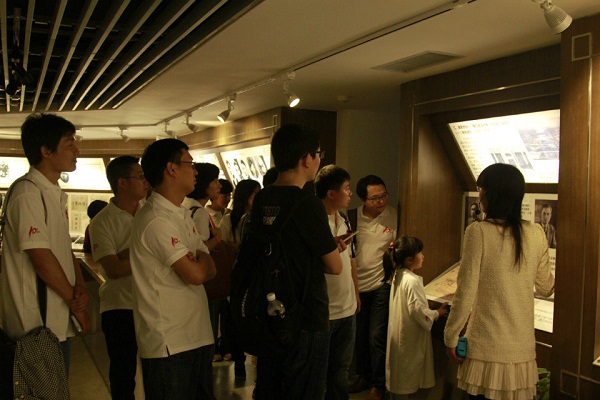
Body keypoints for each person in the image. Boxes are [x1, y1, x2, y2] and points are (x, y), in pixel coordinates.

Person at [247, 123, 343, 399]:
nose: (319, 159)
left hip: (270, 312)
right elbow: (335, 266)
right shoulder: (308, 203)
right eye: (318, 154)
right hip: (305, 316)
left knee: (271, 389)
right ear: (306, 159)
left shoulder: (263, 198)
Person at [444, 163, 555, 400]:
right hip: (522, 352)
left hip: (485, 350)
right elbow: (546, 287)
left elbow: (465, 293)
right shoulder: (536, 233)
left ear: (492, 194)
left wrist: (451, 336)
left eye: (481, 189)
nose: (479, 195)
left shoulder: (478, 232)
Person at [0, 112, 91, 374]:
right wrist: (75, 304)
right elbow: (41, 258)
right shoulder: (28, 193)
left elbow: (63, 251)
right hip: (35, 328)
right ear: (46, 151)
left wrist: (80, 289)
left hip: (55, 322)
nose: (76, 151)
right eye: (69, 144)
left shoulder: (52, 193)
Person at [130, 139, 217, 399]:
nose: (195, 171)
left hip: (196, 334)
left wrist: (199, 258)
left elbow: (209, 266)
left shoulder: (180, 213)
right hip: (170, 341)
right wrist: (199, 258)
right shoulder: (156, 219)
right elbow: (197, 274)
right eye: (190, 163)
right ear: (171, 169)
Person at [89, 155, 149, 399]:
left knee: (157, 370)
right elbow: (113, 269)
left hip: (152, 303)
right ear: (122, 183)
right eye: (140, 177)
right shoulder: (102, 221)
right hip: (120, 306)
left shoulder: (151, 212)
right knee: (123, 375)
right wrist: (148, 252)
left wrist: (126, 254)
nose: (146, 182)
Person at [349, 175, 397, 400]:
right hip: (357, 285)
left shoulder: (393, 214)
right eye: (375, 198)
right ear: (363, 200)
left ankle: (378, 385)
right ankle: (363, 375)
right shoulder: (351, 218)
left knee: (377, 336)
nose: (381, 201)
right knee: (359, 335)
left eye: (384, 196)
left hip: (381, 285)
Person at [314, 164, 360, 400]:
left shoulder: (343, 219)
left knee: (341, 372)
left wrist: (356, 294)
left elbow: (351, 260)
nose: (350, 193)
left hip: (347, 308)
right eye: (346, 188)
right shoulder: (315, 221)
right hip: (324, 310)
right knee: (319, 375)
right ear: (331, 194)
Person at [383, 236, 448, 398]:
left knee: (400, 377)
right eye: (420, 253)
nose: (423, 256)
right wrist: (437, 313)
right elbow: (419, 312)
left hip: (401, 334)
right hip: (409, 338)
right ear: (409, 260)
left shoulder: (398, 275)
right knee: (409, 378)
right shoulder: (411, 281)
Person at [182, 162, 222, 253]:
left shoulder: (186, 202)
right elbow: (200, 249)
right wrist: (218, 238)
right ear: (204, 183)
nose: (220, 185)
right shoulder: (200, 212)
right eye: (215, 181)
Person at [220, 179, 260, 244]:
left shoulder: (259, 217)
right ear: (245, 194)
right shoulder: (228, 220)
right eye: (255, 193)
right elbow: (220, 243)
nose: (259, 196)